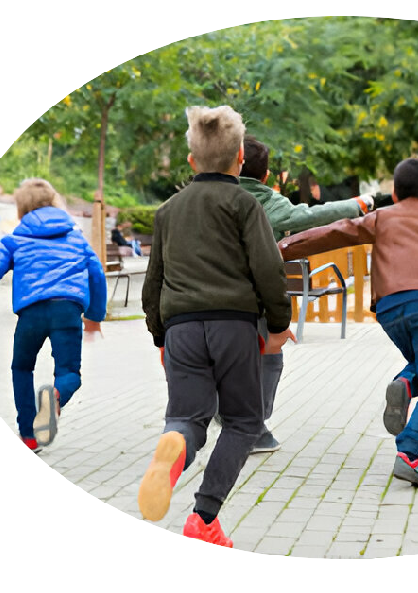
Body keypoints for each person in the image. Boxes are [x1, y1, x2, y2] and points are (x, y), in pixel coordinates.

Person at [138, 105, 295, 547]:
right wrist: (278, 325)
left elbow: (154, 281)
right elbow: (268, 270)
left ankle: (173, 452)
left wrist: (160, 335)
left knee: (187, 419)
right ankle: (204, 517)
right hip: (234, 326)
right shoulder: (245, 204)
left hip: (182, 328)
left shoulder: (169, 210)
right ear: (240, 158)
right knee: (244, 423)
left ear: (191, 161)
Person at [278, 157, 418, 486]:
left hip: (390, 309)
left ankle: (406, 383)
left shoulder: (381, 218)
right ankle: (409, 452)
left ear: (393, 193)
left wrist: (281, 248)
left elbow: (333, 233)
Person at [239, 135, 374, 453]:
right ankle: (254, 428)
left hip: (201, 296)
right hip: (251, 299)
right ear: (266, 175)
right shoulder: (267, 202)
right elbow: (312, 217)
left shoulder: (207, 195)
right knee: (270, 356)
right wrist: (358, 205)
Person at [0, 178, 107, 453]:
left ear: (22, 209)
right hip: (68, 310)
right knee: (69, 372)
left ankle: (29, 437)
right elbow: (97, 275)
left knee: (22, 368)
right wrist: (94, 316)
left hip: (31, 313)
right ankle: (56, 397)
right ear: (54, 202)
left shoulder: (15, 239)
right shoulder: (75, 238)